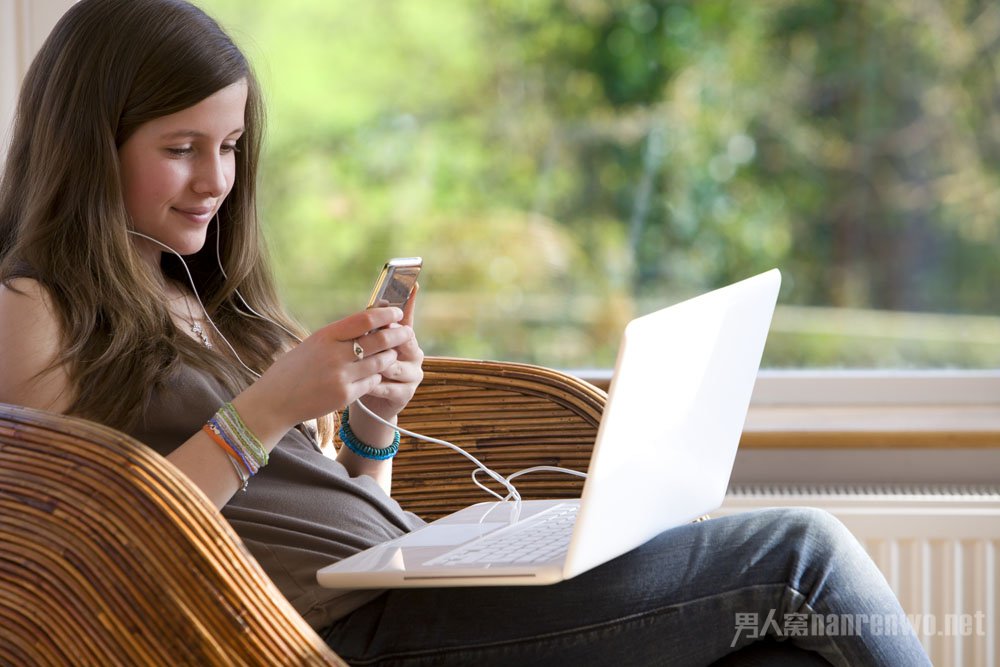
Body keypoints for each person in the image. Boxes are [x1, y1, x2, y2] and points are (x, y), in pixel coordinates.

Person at [0, 1, 931, 665]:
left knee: (782, 654)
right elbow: (89, 548)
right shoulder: (31, 312)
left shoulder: (192, 290)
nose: (218, 181)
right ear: (88, 143)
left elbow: (328, 519)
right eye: (181, 148)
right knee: (799, 559)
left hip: (397, 595)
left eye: (233, 145)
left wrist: (370, 432)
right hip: (344, 638)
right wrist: (272, 406)